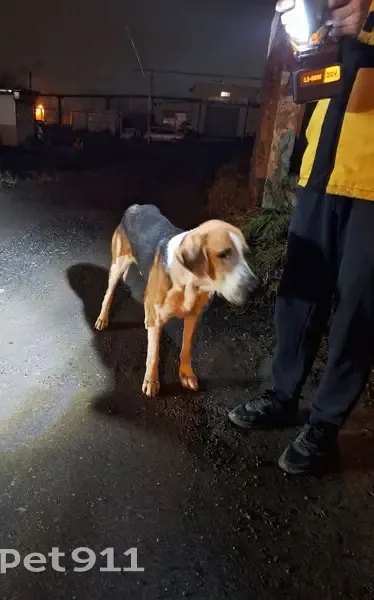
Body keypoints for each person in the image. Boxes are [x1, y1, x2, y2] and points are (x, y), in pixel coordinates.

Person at [228, 0, 374, 475]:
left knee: (358, 311)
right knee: (298, 296)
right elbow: (307, 57)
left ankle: (325, 424)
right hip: (322, 168)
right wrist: (310, 26)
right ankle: (282, 394)